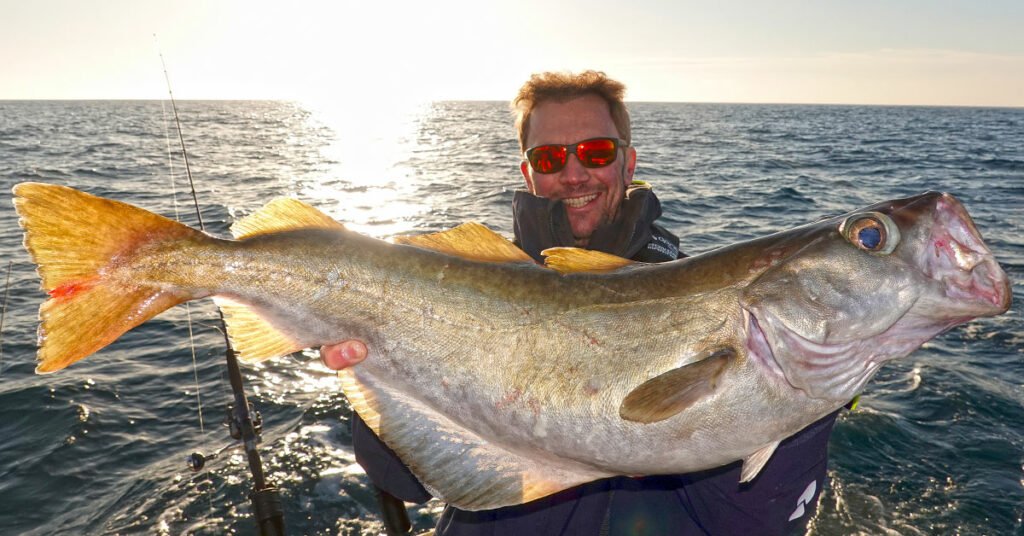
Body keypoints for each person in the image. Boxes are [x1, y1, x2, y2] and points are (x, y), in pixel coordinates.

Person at [320, 71, 840, 535]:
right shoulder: (451, 297)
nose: (573, 175)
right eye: (549, 158)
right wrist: (377, 370)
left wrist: (800, 391)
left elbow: (756, 522)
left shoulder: (715, 303)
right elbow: (402, 484)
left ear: (627, 162)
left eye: (595, 153)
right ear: (528, 174)